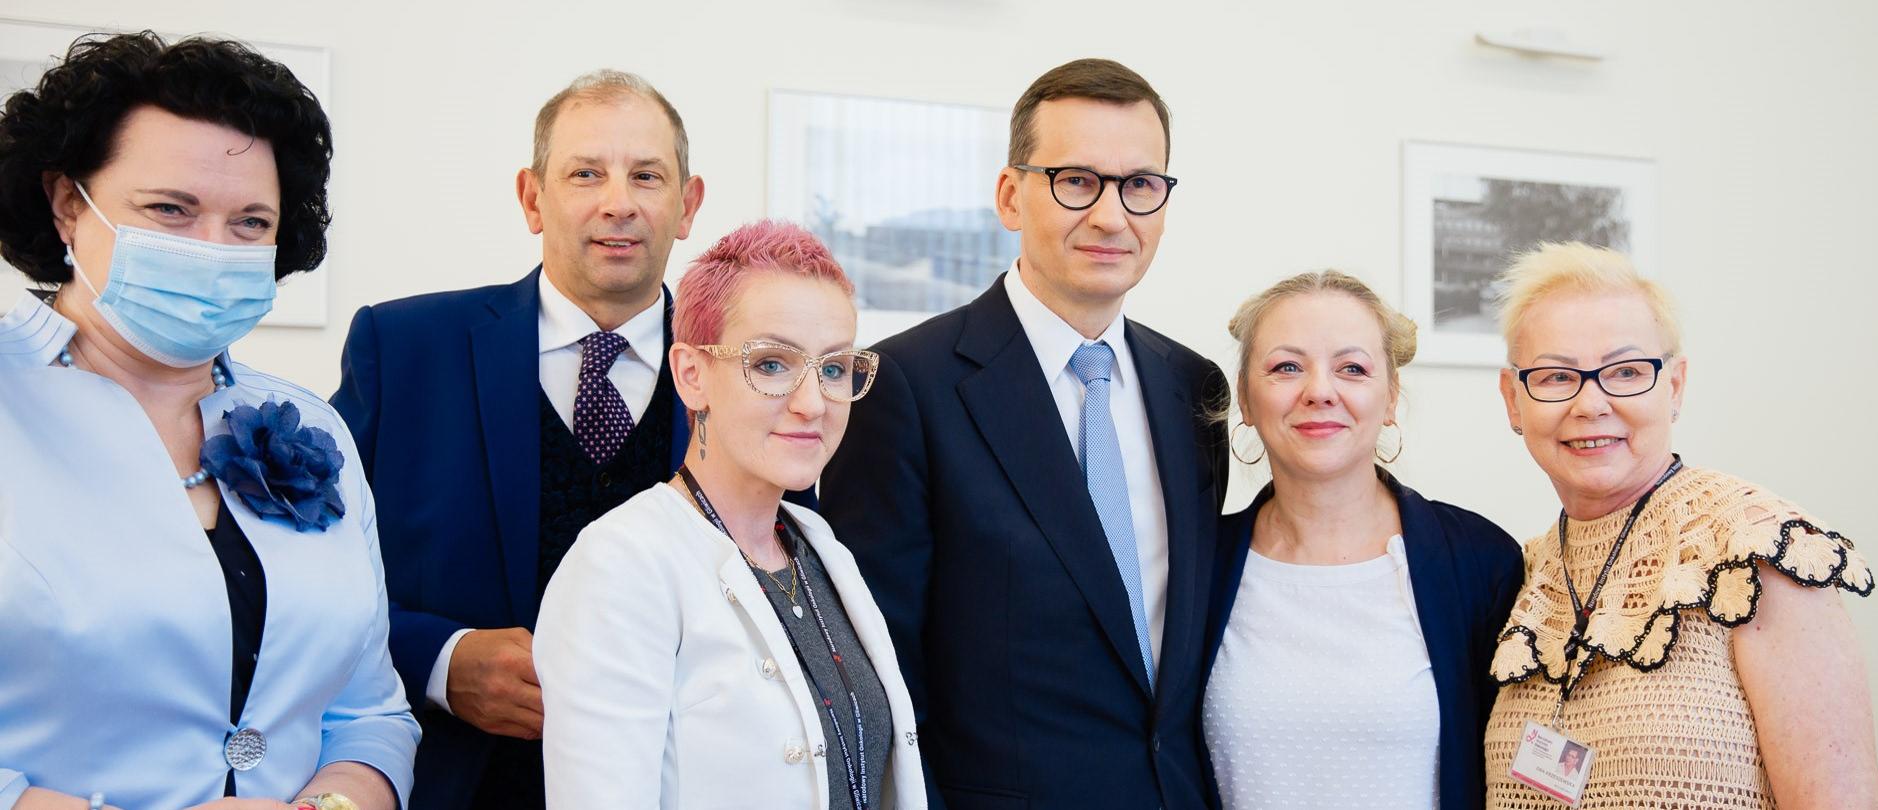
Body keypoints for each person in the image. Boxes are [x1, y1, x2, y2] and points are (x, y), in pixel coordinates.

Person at [328, 69, 816, 808]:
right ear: (532, 198)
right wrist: (438, 661)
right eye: (586, 173)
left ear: (688, 206)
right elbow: (309, 578)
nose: (618, 202)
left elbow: (796, 593)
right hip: (455, 781)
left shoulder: (759, 377)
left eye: (646, 176)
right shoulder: (402, 350)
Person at [0, 32, 417, 810]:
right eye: (171, 210)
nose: (213, 248)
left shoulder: (313, 426)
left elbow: (369, 714)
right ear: (67, 205)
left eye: (250, 223)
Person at [820, 58, 1226, 809]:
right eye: (1077, 181)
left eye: (1140, 185)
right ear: (1010, 195)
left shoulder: (1192, 388)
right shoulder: (904, 385)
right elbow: (880, 673)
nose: (1111, 216)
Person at [535, 220, 926, 808]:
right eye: (770, 364)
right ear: (691, 375)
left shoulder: (818, 545)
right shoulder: (620, 565)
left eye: (833, 368)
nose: (812, 403)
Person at [1482, 243, 1878, 810]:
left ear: (1674, 386)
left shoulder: (1756, 550)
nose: (1590, 404)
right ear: (1512, 400)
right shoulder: (1521, 579)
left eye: (1625, 372)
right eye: (1555, 376)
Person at [1200, 271, 1523, 810]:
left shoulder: (1481, 561)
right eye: (1286, 367)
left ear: (1390, 396)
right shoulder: (1193, 566)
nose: (1319, 391)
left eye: (1352, 368)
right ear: (1246, 401)